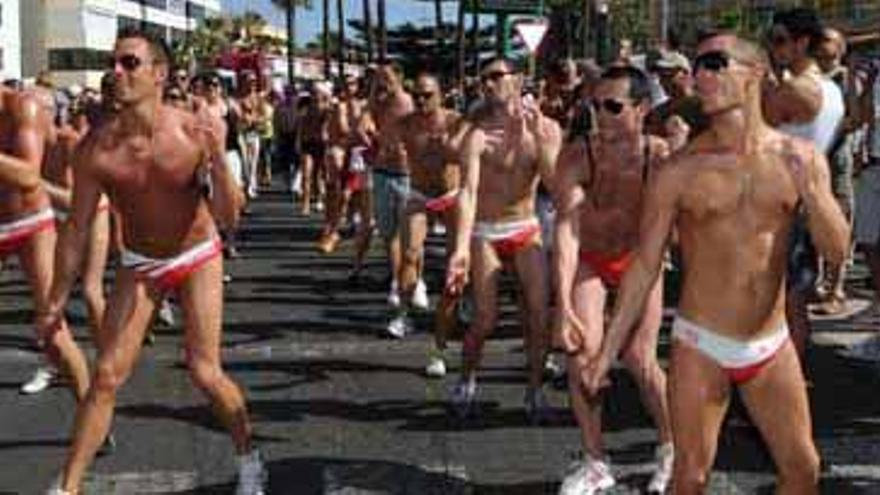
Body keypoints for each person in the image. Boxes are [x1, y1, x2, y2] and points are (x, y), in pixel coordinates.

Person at [586, 32, 849, 494]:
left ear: (755, 73)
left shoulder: (799, 158)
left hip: (770, 344)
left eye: (714, 63)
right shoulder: (680, 169)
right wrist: (606, 353)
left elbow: (837, 252)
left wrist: (813, 193)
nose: (700, 74)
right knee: (690, 477)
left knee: (803, 470)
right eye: (698, 64)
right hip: (700, 343)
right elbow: (646, 266)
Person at [42, 28, 265, 494]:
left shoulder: (190, 131)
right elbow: (76, 229)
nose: (116, 72)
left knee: (205, 371)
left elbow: (228, 215)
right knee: (105, 376)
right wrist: (55, 300)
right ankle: (68, 487)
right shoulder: (95, 150)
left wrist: (221, 160)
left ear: (159, 75)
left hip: (198, 254)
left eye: (129, 64)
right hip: (141, 262)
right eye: (114, 63)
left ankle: (249, 457)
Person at [554, 66, 673, 495]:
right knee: (581, 357)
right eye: (595, 105)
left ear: (640, 110)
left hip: (639, 260)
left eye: (613, 106)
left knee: (640, 359)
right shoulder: (576, 155)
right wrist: (563, 305)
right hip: (590, 258)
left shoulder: (660, 157)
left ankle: (670, 447)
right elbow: (566, 231)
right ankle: (595, 459)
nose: (600, 115)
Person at [445, 58, 561, 422]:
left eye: (497, 76)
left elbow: (556, 187)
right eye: (485, 79)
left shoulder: (542, 129)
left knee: (540, 315)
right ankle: (466, 379)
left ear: (518, 80)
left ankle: (535, 390)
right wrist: (461, 249)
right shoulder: (478, 135)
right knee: (485, 319)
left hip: (526, 226)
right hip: (486, 231)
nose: (490, 83)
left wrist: (543, 142)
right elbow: (467, 192)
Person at [1, 77, 91, 400]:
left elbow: (27, 174)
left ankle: (91, 412)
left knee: (52, 328)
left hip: (30, 223)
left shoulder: (23, 105)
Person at [764, 8, 845, 362]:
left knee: (780, 304)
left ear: (802, 43)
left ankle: (782, 387)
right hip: (804, 200)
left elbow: (754, 125)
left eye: (780, 40)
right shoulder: (831, 89)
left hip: (782, 204)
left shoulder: (796, 90)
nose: (773, 47)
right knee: (792, 300)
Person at [384, 73, 467, 375]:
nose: (421, 101)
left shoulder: (456, 121)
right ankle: (404, 313)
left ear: (440, 95)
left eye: (427, 95)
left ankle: (440, 347)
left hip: (451, 196)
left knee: (454, 268)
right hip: (419, 195)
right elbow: (382, 145)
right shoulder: (405, 124)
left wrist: (452, 148)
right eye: (417, 95)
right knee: (409, 254)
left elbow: (475, 153)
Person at [368, 63, 415, 306]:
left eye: (386, 77)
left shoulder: (408, 102)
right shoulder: (381, 101)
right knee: (389, 233)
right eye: (379, 77)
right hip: (382, 171)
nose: (382, 81)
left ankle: (406, 282)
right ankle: (398, 277)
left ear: (399, 77)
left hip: (404, 174)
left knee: (407, 235)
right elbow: (367, 116)